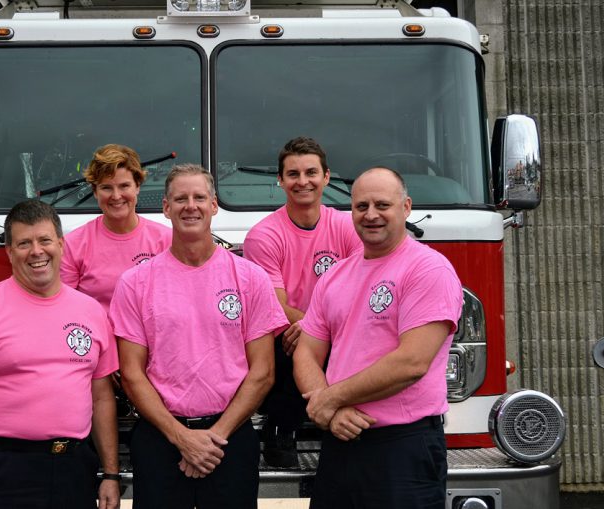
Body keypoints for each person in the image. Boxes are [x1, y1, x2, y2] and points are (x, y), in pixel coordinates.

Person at [110, 164, 288, 509]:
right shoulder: (135, 282)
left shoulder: (250, 278)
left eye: (199, 198)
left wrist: (212, 439)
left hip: (230, 437)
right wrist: (181, 438)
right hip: (160, 438)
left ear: (214, 205)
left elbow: (263, 371)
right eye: (180, 198)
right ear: (165, 207)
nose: (190, 206)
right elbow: (131, 374)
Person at [293, 167, 464, 509]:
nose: (371, 215)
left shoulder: (428, 269)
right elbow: (306, 352)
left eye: (383, 205)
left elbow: (411, 363)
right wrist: (328, 410)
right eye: (361, 206)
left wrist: (330, 400)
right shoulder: (335, 276)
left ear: (406, 207)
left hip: (403, 448)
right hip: (340, 442)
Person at [0, 199, 121, 509]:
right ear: (8, 251)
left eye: (45, 240)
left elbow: (101, 399)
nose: (36, 251)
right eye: (24, 243)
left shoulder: (91, 312)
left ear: (61, 244)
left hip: (74, 469)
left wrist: (111, 474)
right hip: (1, 471)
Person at [242, 136, 361, 467]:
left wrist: (324, 328)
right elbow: (274, 304)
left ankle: (358, 430)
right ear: (280, 180)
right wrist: (314, 328)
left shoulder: (348, 226)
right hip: (290, 331)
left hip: (339, 328)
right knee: (294, 346)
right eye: (292, 174)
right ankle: (280, 431)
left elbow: (363, 291)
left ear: (326, 176)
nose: (302, 181)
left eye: (311, 172)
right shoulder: (264, 235)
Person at [61, 143, 172, 315]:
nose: (116, 196)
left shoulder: (166, 240)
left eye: (124, 186)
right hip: (98, 338)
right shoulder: (73, 244)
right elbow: (64, 307)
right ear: (95, 192)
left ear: (138, 186)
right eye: (106, 187)